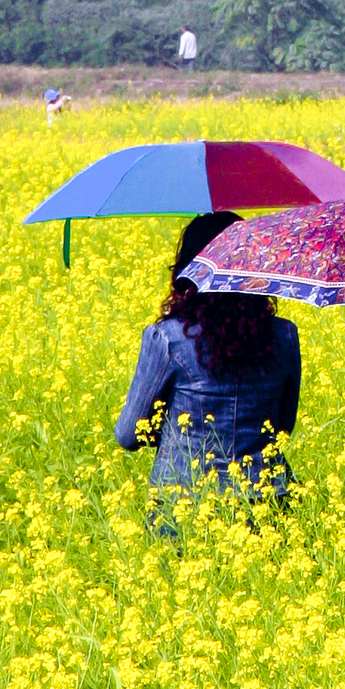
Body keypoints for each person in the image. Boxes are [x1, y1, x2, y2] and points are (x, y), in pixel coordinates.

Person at [115, 212, 303, 520]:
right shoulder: (283, 336)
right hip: (266, 501)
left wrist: (174, 432)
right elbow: (282, 427)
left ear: (188, 269)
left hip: (186, 504)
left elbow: (129, 435)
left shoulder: (168, 338)